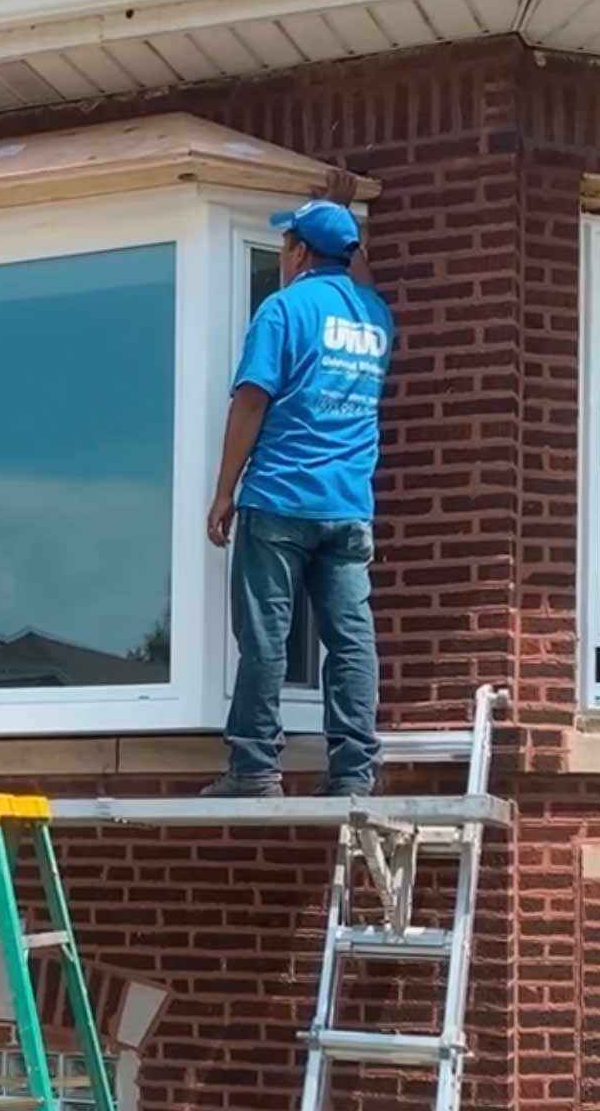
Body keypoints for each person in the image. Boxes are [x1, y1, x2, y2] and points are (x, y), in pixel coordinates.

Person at [202, 174, 394, 799]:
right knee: (351, 639)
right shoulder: (375, 316)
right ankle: (354, 774)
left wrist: (225, 489)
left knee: (264, 637)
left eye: (287, 242)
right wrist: (343, 220)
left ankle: (254, 769)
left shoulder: (282, 310)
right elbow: (357, 271)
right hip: (347, 507)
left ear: (301, 253)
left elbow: (251, 401)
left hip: (281, 499)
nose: (282, 253)